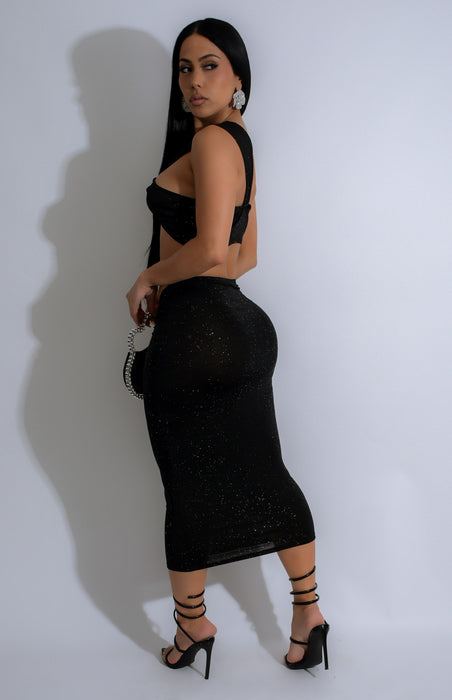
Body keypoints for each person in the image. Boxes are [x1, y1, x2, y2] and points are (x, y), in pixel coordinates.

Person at [126, 18, 329, 679]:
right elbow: (246, 257)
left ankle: (193, 627)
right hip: (241, 328)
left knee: (186, 485)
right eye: (184, 68)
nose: (193, 81)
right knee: (267, 474)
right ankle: (309, 614)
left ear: (239, 76)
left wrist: (152, 277)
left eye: (209, 65)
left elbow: (214, 251)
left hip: (197, 334)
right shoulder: (240, 142)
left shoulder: (212, 141)